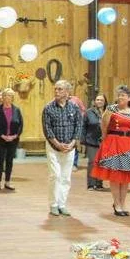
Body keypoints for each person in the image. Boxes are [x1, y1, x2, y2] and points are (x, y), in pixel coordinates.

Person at [91, 85, 130, 216]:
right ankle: (116, 204)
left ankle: (122, 204)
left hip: (128, 144)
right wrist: (108, 141)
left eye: (123, 95)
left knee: (125, 177)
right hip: (113, 143)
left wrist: (128, 139)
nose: (120, 97)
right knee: (115, 176)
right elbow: (104, 126)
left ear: (129, 98)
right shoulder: (111, 109)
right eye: (119, 95)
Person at [42, 80, 82, 217]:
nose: (57, 91)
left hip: (70, 147)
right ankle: (53, 204)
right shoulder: (48, 108)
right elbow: (47, 130)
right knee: (55, 175)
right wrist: (58, 144)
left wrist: (72, 143)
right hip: (53, 147)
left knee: (66, 177)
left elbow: (78, 126)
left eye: (60, 89)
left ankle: (62, 204)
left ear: (67, 92)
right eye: (55, 89)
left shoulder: (74, 107)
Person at [0, 88, 23, 191]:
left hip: (13, 140)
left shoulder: (16, 110)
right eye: (4, 96)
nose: (6, 98)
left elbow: (20, 125)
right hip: (1, 139)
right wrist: (2, 135)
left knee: (9, 161)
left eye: (8, 96)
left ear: (12, 98)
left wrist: (15, 136)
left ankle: (8, 182)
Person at [82, 93, 107, 190]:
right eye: (98, 100)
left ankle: (99, 183)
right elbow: (83, 126)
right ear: (94, 101)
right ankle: (91, 184)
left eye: (101, 100)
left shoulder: (107, 113)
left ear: (105, 102)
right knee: (92, 162)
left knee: (102, 162)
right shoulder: (89, 112)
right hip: (91, 140)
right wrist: (82, 139)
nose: (99, 101)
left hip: (104, 141)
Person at [68, 85, 87, 172]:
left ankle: (74, 164)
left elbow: (83, 110)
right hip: (62, 127)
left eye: (69, 89)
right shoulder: (57, 100)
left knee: (74, 145)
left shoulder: (76, 100)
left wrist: (80, 119)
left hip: (74, 126)